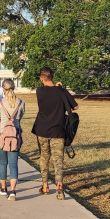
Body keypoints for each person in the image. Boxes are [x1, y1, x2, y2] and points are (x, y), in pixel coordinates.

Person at [32, 67, 78, 200]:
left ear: (42, 79)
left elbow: (48, 92)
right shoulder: (61, 92)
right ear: (52, 77)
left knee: (44, 157)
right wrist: (61, 91)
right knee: (58, 160)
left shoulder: (39, 91)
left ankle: (45, 186)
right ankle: (59, 187)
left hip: (42, 129)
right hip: (58, 130)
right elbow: (75, 107)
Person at [0, 79, 25, 201]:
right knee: (13, 164)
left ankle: (3, 188)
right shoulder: (21, 102)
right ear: (13, 88)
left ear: (3, 90)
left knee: (3, 163)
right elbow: (20, 118)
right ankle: (13, 191)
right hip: (15, 136)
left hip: (1, 136)